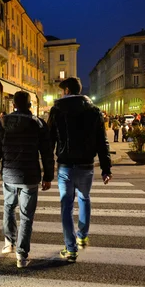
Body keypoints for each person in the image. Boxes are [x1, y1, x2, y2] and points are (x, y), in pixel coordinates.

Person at [47, 78, 112, 263]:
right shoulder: (93, 111)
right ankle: (82, 236)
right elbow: (102, 141)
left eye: (62, 91)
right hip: (86, 165)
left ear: (67, 90)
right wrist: (106, 168)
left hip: (65, 165)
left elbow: (50, 141)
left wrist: (47, 169)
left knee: (66, 206)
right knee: (84, 198)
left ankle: (70, 249)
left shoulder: (57, 110)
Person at [0, 91, 54, 268]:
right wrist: (48, 176)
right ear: (29, 105)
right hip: (30, 176)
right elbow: (46, 153)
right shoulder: (38, 124)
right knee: (26, 216)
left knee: (9, 207)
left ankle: (9, 242)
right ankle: (21, 255)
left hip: (9, 174)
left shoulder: (3, 123)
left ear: (14, 105)